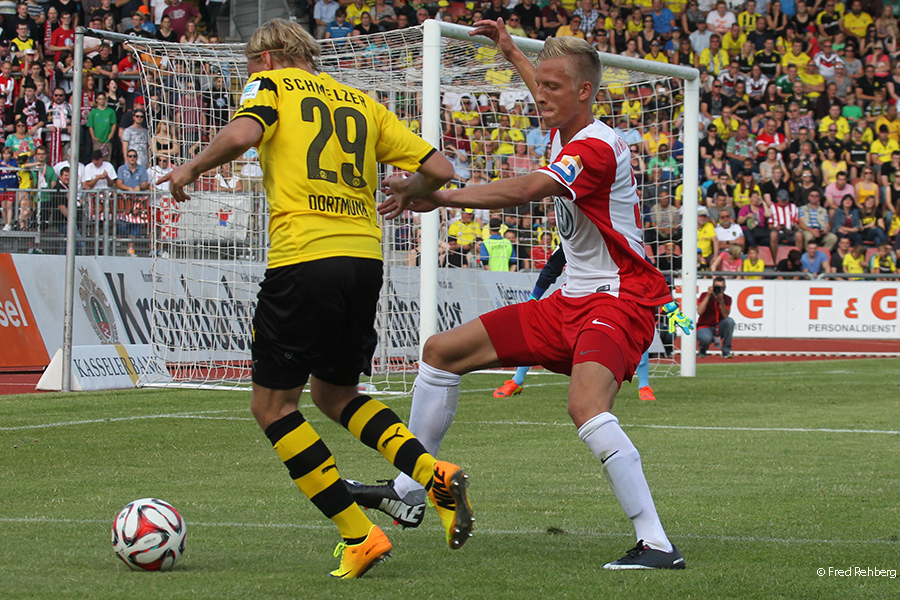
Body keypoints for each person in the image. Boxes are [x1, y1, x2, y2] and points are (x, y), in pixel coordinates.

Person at [359, 21, 690, 571]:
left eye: (553, 88)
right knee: (441, 352)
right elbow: (546, 83)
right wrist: (511, 50)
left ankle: (655, 542)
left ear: (584, 92)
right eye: (539, 87)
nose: (540, 95)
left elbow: (525, 190)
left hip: (619, 301)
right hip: (570, 300)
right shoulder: (566, 123)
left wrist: (440, 195)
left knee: (585, 407)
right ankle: (412, 488)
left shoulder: (597, 148)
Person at [158, 19, 472, 580]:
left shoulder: (272, 87)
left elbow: (243, 135)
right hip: (363, 262)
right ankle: (434, 476)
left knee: (273, 406)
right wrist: (410, 189)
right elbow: (441, 170)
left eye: (252, 64)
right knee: (336, 394)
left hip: (304, 258)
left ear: (273, 56)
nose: (249, 76)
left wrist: (191, 166)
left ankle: (360, 533)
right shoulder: (363, 102)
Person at [697, 275, 734, 358]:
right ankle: (702, 350)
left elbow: (726, 315)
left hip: (719, 326)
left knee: (730, 321)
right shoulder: (704, 295)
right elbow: (699, 311)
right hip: (705, 326)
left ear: (725, 288)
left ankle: (726, 351)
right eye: (717, 287)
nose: (719, 290)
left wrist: (721, 301)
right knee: (705, 338)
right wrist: (708, 296)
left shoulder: (727, 298)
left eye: (722, 288)